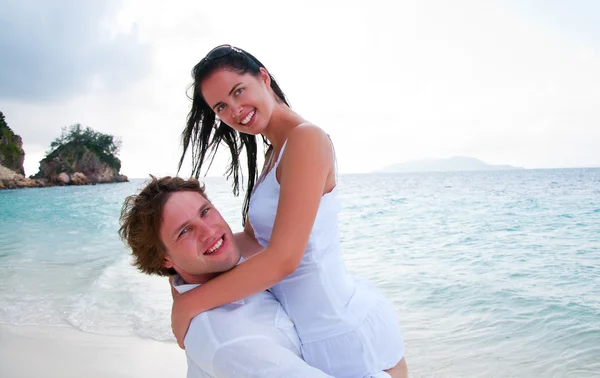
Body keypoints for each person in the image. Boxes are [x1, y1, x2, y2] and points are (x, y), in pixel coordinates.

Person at [172, 44, 408, 378]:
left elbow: (284, 258)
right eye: (221, 106)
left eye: (238, 91)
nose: (235, 111)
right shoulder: (274, 154)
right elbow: (256, 242)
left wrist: (192, 303)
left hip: (343, 331)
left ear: (263, 77)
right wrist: (184, 271)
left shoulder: (306, 140)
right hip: (307, 335)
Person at [118, 175, 335, 377]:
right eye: (184, 231)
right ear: (165, 260)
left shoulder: (241, 265)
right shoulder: (230, 341)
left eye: (205, 212)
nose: (209, 231)